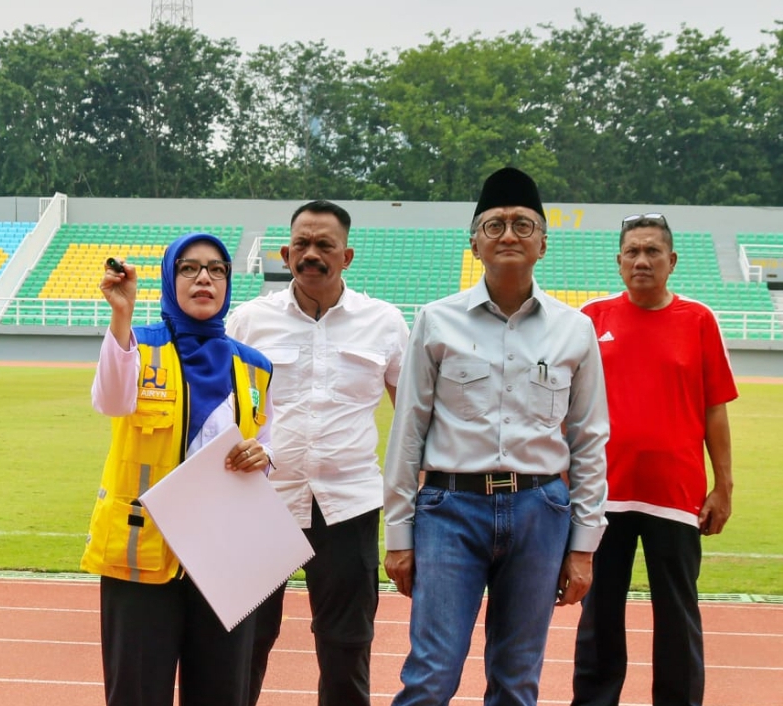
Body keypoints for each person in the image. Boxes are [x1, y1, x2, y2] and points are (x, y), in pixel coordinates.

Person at [383, 167, 610, 706]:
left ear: (543, 244)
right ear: (475, 244)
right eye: (495, 224)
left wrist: (584, 547)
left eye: (523, 224)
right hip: (449, 509)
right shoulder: (436, 321)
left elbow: (588, 440)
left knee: (517, 679)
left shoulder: (574, 329)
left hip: (540, 511)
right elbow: (408, 429)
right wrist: (398, 534)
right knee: (431, 674)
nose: (509, 234)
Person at [227, 199, 408, 706]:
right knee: (245, 643)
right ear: (285, 254)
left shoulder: (385, 322)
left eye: (324, 245)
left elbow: (412, 417)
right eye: (301, 245)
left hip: (349, 505)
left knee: (346, 646)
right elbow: (217, 407)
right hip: (261, 502)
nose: (311, 254)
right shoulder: (248, 322)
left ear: (346, 256)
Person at [82, 231, 275, 706]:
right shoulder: (138, 345)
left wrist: (263, 457)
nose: (204, 278)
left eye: (216, 269)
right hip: (142, 560)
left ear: (228, 282)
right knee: (137, 694)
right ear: (170, 278)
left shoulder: (256, 367)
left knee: (222, 693)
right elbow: (111, 401)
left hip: (223, 558)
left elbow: (266, 442)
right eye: (189, 268)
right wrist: (121, 316)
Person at [571, 214, 738, 706]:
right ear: (619, 261)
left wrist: (723, 486)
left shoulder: (699, 319)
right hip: (603, 495)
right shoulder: (590, 318)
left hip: (677, 496)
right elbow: (567, 407)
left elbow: (715, 408)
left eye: (652, 251)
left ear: (672, 260)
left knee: (677, 616)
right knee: (599, 615)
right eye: (633, 252)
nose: (642, 260)